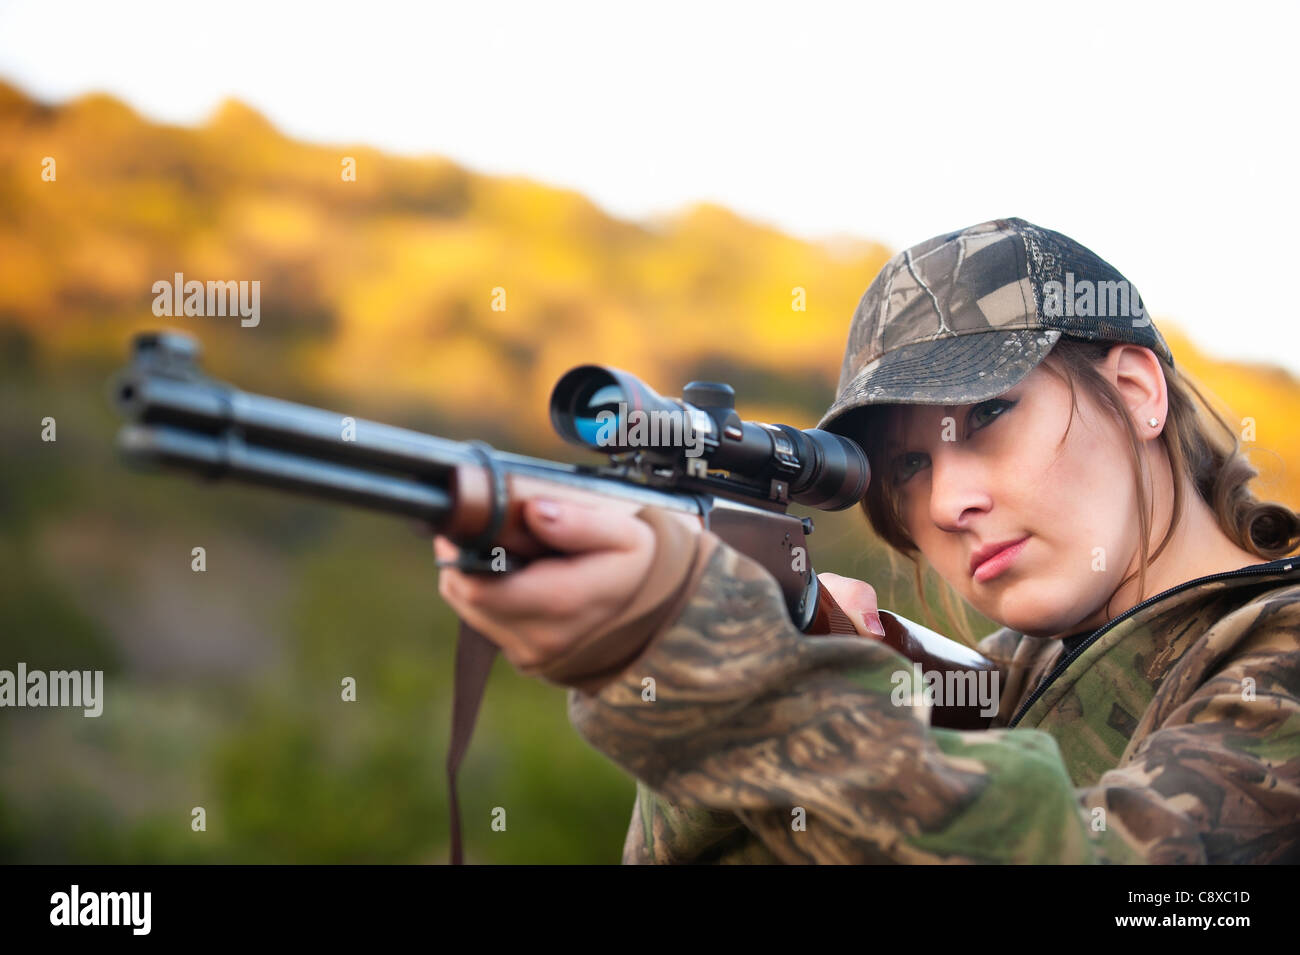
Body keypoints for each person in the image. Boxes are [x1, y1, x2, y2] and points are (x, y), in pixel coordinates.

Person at [435, 217, 1300, 863]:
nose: (950, 498)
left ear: (1138, 389)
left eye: (991, 413)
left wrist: (748, 679)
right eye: (910, 467)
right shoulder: (983, 687)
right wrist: (705, 664)